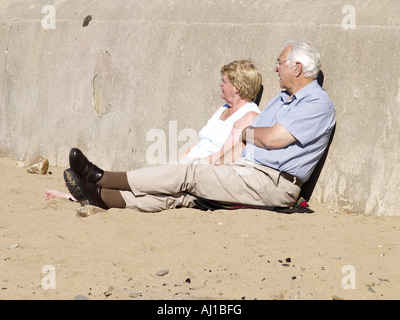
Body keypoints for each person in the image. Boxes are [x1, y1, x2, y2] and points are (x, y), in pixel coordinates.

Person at [64, 40, 336, 213]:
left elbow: (274, 138)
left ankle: (101, 177)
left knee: (190, 174)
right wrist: (224, 160)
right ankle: (104, 197)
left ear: (297, 68)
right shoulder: (282, 98)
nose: (276, 68)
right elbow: (246, 143)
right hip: (248, 171)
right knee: (184, 196)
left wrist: (247, 133)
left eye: (280, 63)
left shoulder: (317, 104)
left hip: (273, 183)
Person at [48, 60, 262, 202]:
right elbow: (199, 143)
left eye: (224, 82)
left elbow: (223, 157)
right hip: (186, 168)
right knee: (149, 180)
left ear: (238, 87)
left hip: (201, 174)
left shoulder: (249, 116)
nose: (220, 85)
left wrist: (187, 169)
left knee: (150, 187)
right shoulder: (222, 109)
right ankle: (83, 192)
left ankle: (95, 179)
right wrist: (178, 162)